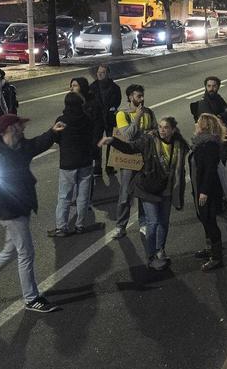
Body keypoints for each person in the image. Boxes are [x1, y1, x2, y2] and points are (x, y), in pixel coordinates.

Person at [0, 114, 65, 314]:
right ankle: (31, 298)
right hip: (10, 211)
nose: (23, 127)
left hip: (23, 206)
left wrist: (52, 132)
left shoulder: (19, 146)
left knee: (9, 251)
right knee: (26, 253)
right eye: (20, 125)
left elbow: (36, 145)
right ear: (10, 128)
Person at [101, 114, 187, 270]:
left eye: (166, 127)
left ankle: (160, 249)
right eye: (160, 127)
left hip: (166, 189)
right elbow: (131, 147)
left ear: (173, 130)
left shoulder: (180, 145)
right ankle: (151, 256)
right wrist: (113, 141)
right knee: (153, 222)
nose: (162, 130)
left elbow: (181, 170)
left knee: (163, 222)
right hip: (148, 187)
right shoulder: (149, 140)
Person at [49, 91, 100, 236]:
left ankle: (61, 227)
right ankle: (80, 225)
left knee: (64, 196)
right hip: (85, 161)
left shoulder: (62, 120)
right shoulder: (87, 119)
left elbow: (56, 138)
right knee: (83, 196)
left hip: (68, 162)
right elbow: (92, 136)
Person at [111, 84, 156, 240]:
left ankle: (143, 222)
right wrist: (136, 118)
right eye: (138, 96)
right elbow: (128, 136)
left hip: (145, 158)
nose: (142, 99)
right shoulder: (122, 114)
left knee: (144, 193)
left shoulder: (149, 112)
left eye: (142, 96)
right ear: (130, 97)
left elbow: (155, 130)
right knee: (125, 194)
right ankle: (120, 226)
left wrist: (153, 132)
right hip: (129, 159)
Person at [188, 113, 227, 271]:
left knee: (210, 221)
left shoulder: (209, 144)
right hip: (200, 188)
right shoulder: (201, 142)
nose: (195, 124)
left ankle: (217, 257)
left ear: (204, 126)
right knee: (204, 219)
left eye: (198, 122)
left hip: (207, 190)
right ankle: (210, 248)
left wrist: (203, 191)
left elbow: (210, 169)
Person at [88, 64, 121, 177]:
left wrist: (111, 109)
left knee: (111, 142)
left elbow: (117, 101)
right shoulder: (92, 88)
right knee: (96, 143)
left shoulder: (115, 88)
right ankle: (97, 167)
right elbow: (88, 103)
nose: (100, 74)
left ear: (108, 74)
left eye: (102, 72)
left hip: (109, 119)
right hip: (97, 119)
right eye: (98, 72)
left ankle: (109, 166)